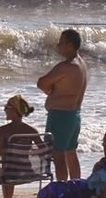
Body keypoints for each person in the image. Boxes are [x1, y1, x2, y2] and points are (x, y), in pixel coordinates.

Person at [37, 29, 88, 182]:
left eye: (61, 42)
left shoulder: (66, 66)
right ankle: (75, 187)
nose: (58, 45)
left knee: (58, 156)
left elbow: (41, 82)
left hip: (61, 116)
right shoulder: (82, 64)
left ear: (70, 45)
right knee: (71, 153)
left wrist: (49, 90)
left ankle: (63, 188)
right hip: (74, 115)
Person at [0, 95, 41, 198]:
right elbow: (43, 149)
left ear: (14, 110)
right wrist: (28, 150)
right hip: (27, 171)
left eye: (6, 107)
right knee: (12, 166)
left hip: (10, 172)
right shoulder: (31, 130)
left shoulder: (3, 130)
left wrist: (10, 150)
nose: (4, 110)